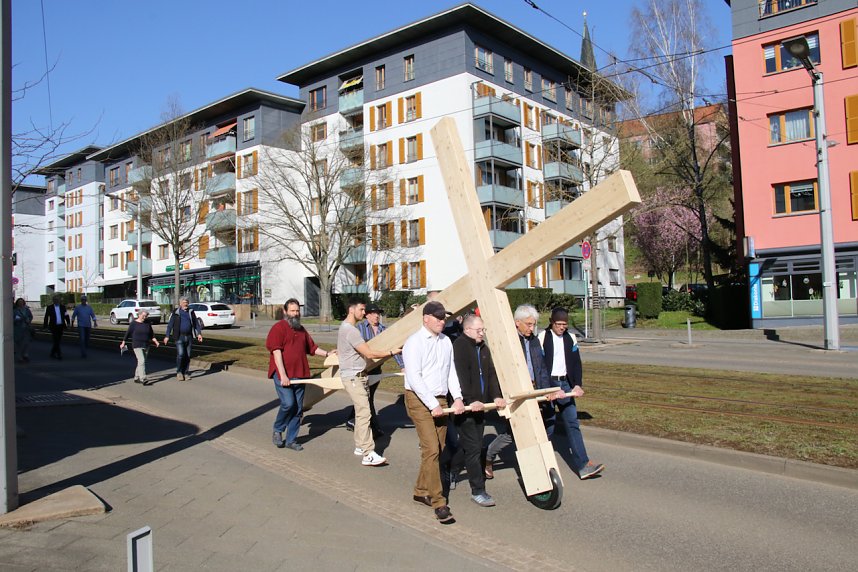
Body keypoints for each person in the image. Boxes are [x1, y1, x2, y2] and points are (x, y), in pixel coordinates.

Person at [403, 301, 465, 523]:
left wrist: (457, 397)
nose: (442, 321)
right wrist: (433, 405)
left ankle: (421, 490)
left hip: (439, 399)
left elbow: (451, 373)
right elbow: (414, 378)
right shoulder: (414, 343)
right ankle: (439, 502)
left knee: (437, 448)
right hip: (419, 399)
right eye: (437, 317)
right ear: (425, 318)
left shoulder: (446, 341)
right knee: (431, 449)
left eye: (444, 318)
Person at [484, 304, 563, 477]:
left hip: (535, 390)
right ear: (516, 322)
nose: (531, 328)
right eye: (528, 324)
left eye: (533, 324)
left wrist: (547, 390)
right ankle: (488, 455)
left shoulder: (533, 340)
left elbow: (541, 368)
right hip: (517, 393)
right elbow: (498, 372)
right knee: (512, 433)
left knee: (548, 424)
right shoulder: (508, 341)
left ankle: (537, 461)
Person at [539, 307, 605, 479]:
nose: (562, 327)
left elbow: (576, 364)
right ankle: (539, 463)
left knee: (572, 423)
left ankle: (583, 465)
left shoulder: (571, 338)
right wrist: (545, 388)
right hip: (549, 385)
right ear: (551, 323)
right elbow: (538, 365)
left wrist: (577, 385)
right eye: (559, 324)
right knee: (549, 426)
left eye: (564, 324)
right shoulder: (543, 337)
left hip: (566, 384)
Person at [337, 298, 401, 467]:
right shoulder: (351, 331)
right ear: (352, 310)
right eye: (361, 309)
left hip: (357, 375)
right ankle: (368, 453)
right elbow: (370, 354)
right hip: (353, 377)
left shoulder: (345, 328)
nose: (364, 313)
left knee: (361, 412)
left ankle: (360, 445)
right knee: (365, 412)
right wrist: (391, 351)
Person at [450, 314, 505, 507]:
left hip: (481, 406)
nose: (482, 333)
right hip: (465, 407)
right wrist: (470, 400)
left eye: (483, 330)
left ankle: (451, 469)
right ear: (467, 330)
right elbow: (460, 376)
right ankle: (478, 490)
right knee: (474, 448)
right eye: (479, 330)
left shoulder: (483, 348)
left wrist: (496, 396)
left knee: (468, 445)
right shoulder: (460, 346)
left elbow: (490, 375)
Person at [266, 298, 332, 451]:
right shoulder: (278, 328)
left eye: (297, 311)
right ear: (285, 312)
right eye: (292, 311)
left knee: (297, 409)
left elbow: (312, 348)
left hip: (300, 374)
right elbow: (276, 352)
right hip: (283, 374)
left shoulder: (301, 330)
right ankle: (278, 429)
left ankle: (291, 440)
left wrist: (328, 354)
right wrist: (283, 375)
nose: (295, 314)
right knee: (288, 404)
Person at [344, 303, 403, 436]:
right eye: (373, 313)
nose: (377, 315)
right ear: (367, 315)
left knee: (366, 397)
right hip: (362, 369)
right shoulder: (359, 328)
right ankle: (374, 429)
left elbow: (393, 349)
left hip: (376, 370)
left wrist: (402, 366)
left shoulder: (384, 330)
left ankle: (351, 419)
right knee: (366, 398)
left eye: (378, 313)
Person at [163, 297, 203, 381]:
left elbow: (196, 323)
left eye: (187, 302)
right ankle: (179, 372)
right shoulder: (176, 312)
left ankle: (186, 372)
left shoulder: (191, 312)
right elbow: (170, 325)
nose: (186, 304)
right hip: (179, 337)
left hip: (189, 336)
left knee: (187, 356)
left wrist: (199, 334)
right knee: (181, 354)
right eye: (184, 302)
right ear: (180, 303)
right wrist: (167, 336)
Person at [120, 310, 160, 384]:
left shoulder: (147, 323)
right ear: (139, 315)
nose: (145, 317)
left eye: (146, 316)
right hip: (137, 345)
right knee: (142, 361)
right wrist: (123, 342)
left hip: (146, 345)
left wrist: (156, 341)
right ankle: (143, 378)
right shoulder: (133, 324)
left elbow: (151, 334)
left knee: (141, 362)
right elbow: (128, 333)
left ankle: (136, 377)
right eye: (143, 316)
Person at [43, 294, 70, 360]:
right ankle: (59, 354)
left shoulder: (63, 307)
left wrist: (68, 323)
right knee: (56, 340)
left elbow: (66, 315)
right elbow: (46, 317)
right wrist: (45, 326)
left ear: (59, 300)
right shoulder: (50, 307)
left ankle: (52, 353)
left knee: (58, 340)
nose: (56, 301)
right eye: (55, 300)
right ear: (53, 301)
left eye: (58, 300)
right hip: (53, 326)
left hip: (61, 326)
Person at [13, 298, 33, 363]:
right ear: (17, 303)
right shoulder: (15, 311)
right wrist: (17, 319)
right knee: (19, 344)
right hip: (18, 329)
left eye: (22, 302)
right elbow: (12, 319)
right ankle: (20, 357)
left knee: (26, 343)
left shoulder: (27, 310)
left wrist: (29, 320)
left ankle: (25, 354)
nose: (21, 303)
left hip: (26, 328)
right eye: (19, 302)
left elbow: (30, 316)